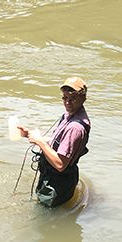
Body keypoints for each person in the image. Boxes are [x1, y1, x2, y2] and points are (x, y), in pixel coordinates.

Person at [19, 77, 91, 207]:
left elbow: (60, 164)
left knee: (43, 219)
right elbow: (58, 142)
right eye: (65, 98)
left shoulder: (75, 128)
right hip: (56, 179)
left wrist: (40, 142)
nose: (67, 102)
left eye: (72, 98)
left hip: (57, 184)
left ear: (83, 98)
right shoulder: (69, 115)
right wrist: (30, 135)